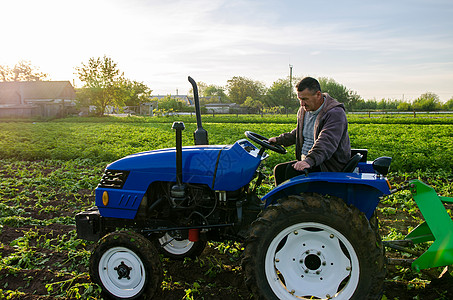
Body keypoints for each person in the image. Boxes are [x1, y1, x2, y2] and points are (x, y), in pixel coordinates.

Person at [268, 77, 351, 186]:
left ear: (318, 95)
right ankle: (279, 202)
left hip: (326, 165)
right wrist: (279, 140)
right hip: (309, 161)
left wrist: (309, 161)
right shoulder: (304, 110)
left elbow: (326, 142)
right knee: (279, 170)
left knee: (290, 172)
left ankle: (291, 202)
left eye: (305, 99)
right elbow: (300, 132)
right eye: (299, 99)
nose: (302, 104)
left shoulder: (335, 113)